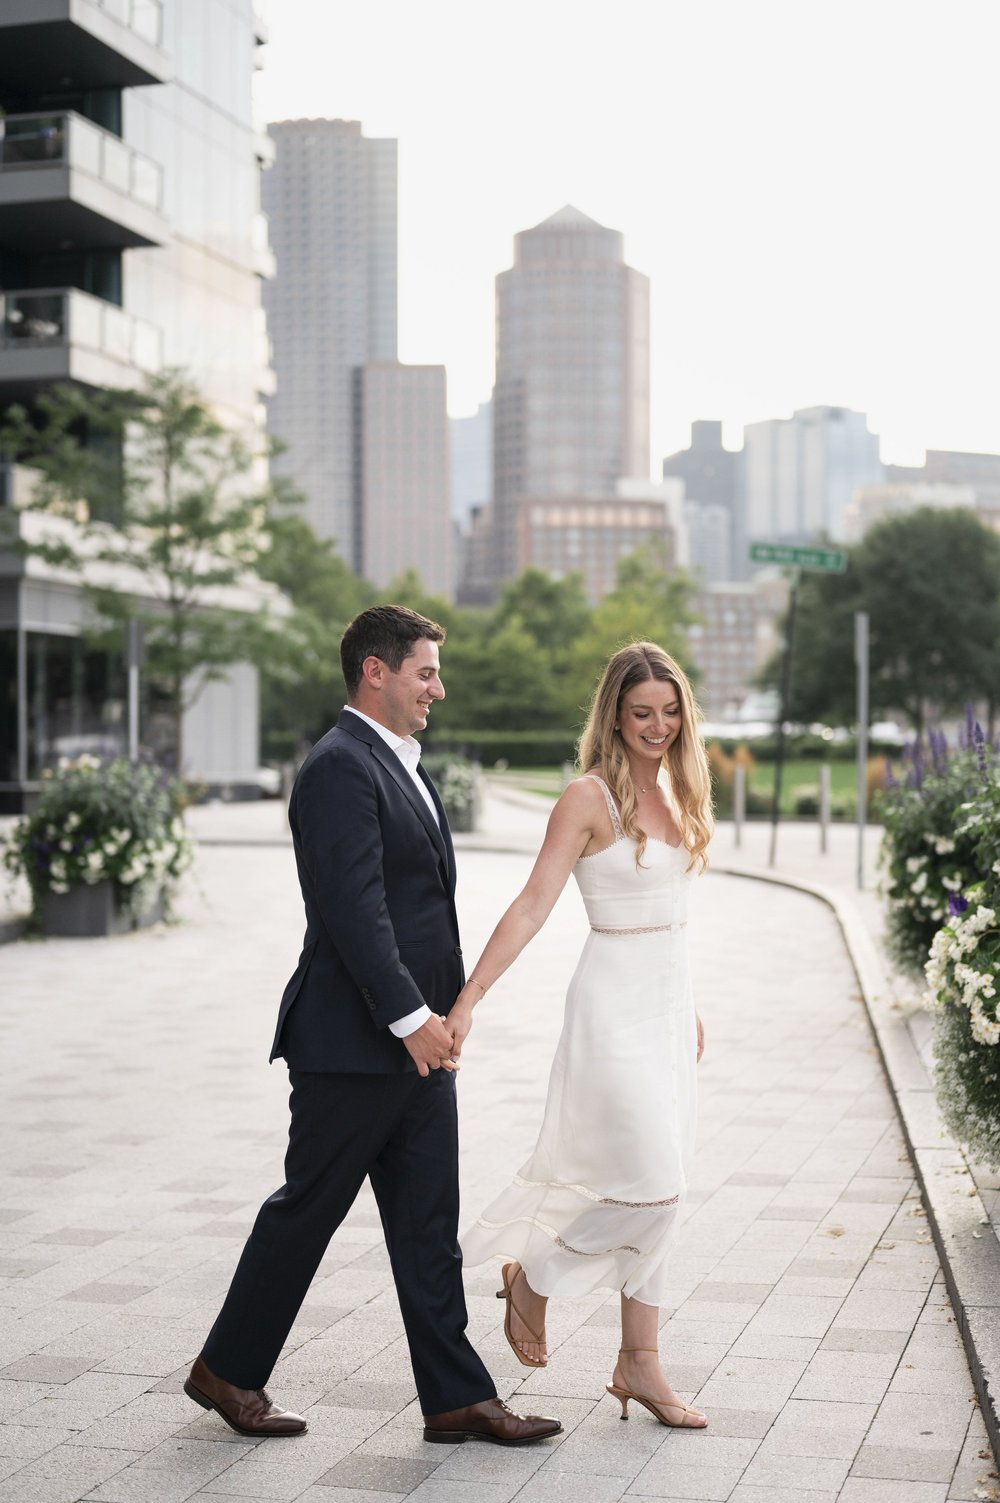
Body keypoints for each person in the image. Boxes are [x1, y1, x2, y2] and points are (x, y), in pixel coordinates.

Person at [184, 605, 561, 1448]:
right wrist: (410, 1019)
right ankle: (226, 1370)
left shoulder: (403, 765)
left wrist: (438, 1021)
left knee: (430, 1223)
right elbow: (353, 913)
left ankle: (456, 1397)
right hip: (353, 1047)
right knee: (307, 1210)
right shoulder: (338, 768)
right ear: (375, 672)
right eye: (426, 670)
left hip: (421, 1047)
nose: (438, 686)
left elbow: (416, 905)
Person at [452, 642, 713, 1430]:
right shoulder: (587, 797)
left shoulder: (677, 791)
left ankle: (641, 1361)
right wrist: (468, 1000)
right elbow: (532, 904)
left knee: (667, 1187)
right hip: (610, 1011)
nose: (657, 726)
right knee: (653, 1185)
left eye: (670, 712)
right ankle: (533, 1277)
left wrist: (688, 1004)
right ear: (614, 713)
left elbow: (672, 914)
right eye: (642, 712)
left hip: (666, 1010)